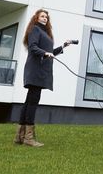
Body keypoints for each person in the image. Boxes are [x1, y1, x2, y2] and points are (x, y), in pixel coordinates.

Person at [15, 9, 74, 146]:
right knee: (32, 102)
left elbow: (50, 52)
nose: (44, 18)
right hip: (36, 70)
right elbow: (33, 48)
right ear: (36, 18)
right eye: (42, 16)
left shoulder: (45, 33)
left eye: (46, 17)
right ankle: (28, 138)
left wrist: (63, 46)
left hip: (40, 70)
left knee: (29, 101)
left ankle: (20, 136)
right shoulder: (35, 30)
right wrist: (46, 53)